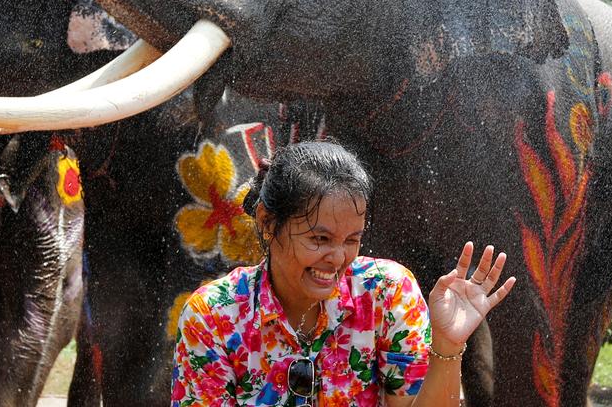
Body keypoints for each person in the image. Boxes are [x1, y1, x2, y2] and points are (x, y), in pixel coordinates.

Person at [171, 140, 516, 406]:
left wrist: (448, 344)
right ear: (267, 222)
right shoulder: (213, 317)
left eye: (352, 240)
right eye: (319, 239)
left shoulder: (388, 293)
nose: (337, 258)